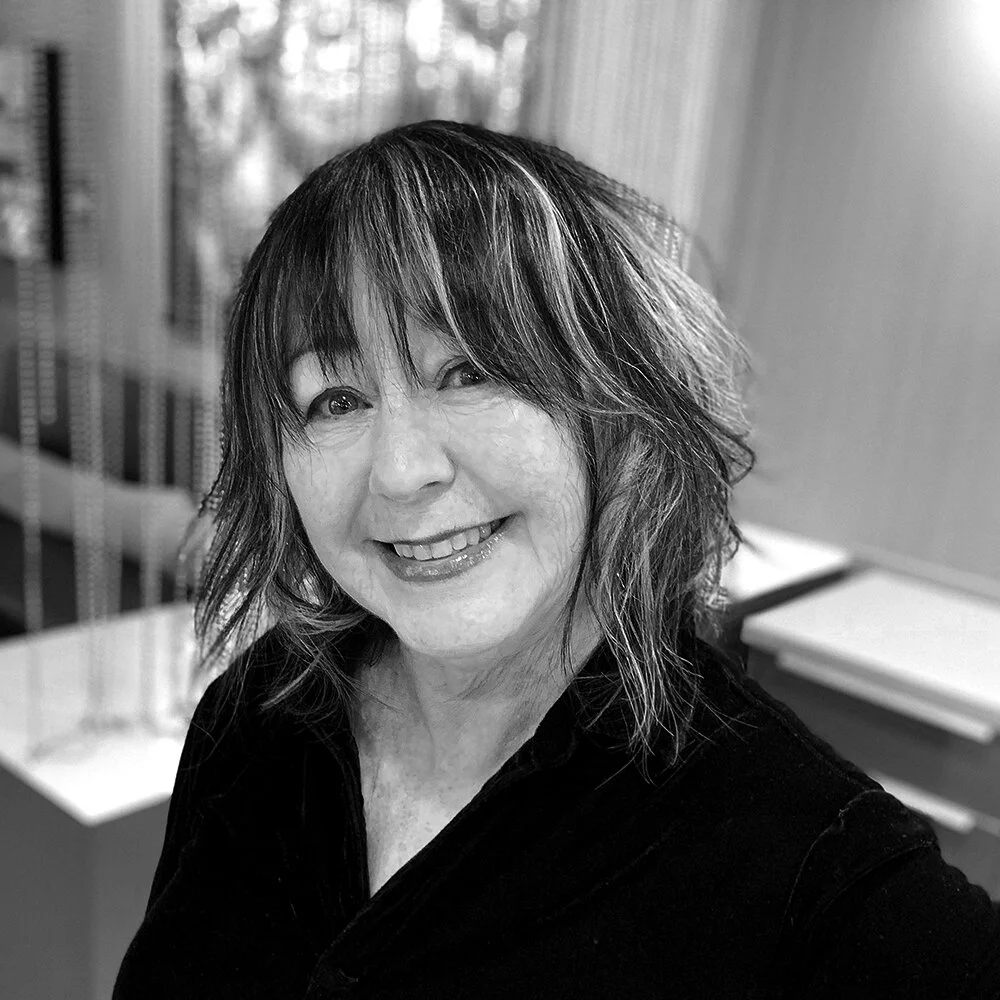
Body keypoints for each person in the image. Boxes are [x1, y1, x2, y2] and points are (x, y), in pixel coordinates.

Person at [113, 120, 1000, 999]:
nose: (402, 471)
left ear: (618, 404)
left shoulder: (815, 868)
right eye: (335, 399)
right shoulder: (259, 712)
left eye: (469, 371)